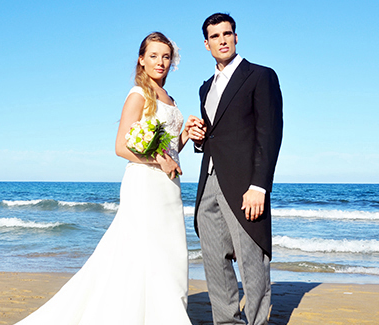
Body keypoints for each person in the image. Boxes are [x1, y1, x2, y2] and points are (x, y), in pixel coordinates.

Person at [16, 32, 194, 324]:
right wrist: (157, 160)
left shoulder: (170, 99)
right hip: (144, 185)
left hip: (168, 187)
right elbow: (120, 146)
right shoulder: (138, 94)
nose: (160, 62)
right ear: (141, 59)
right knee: (142, 253)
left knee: (169, 253)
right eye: (153, 56)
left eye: (165, 56)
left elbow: (170, 150)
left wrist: (184, 135)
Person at [186, 13, 283, 325]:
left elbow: (270, 134)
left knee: (251, 260)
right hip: (209, 183)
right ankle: (227, 322)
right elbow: (214, 138)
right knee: (215, 261)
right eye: (215, 36)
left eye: (227, 33)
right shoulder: (205, 88)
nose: (222, 40)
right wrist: (198, 139)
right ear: (206, 44)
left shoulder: (260, 76)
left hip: (244, 184)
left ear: (236, 37)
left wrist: (259, 186)